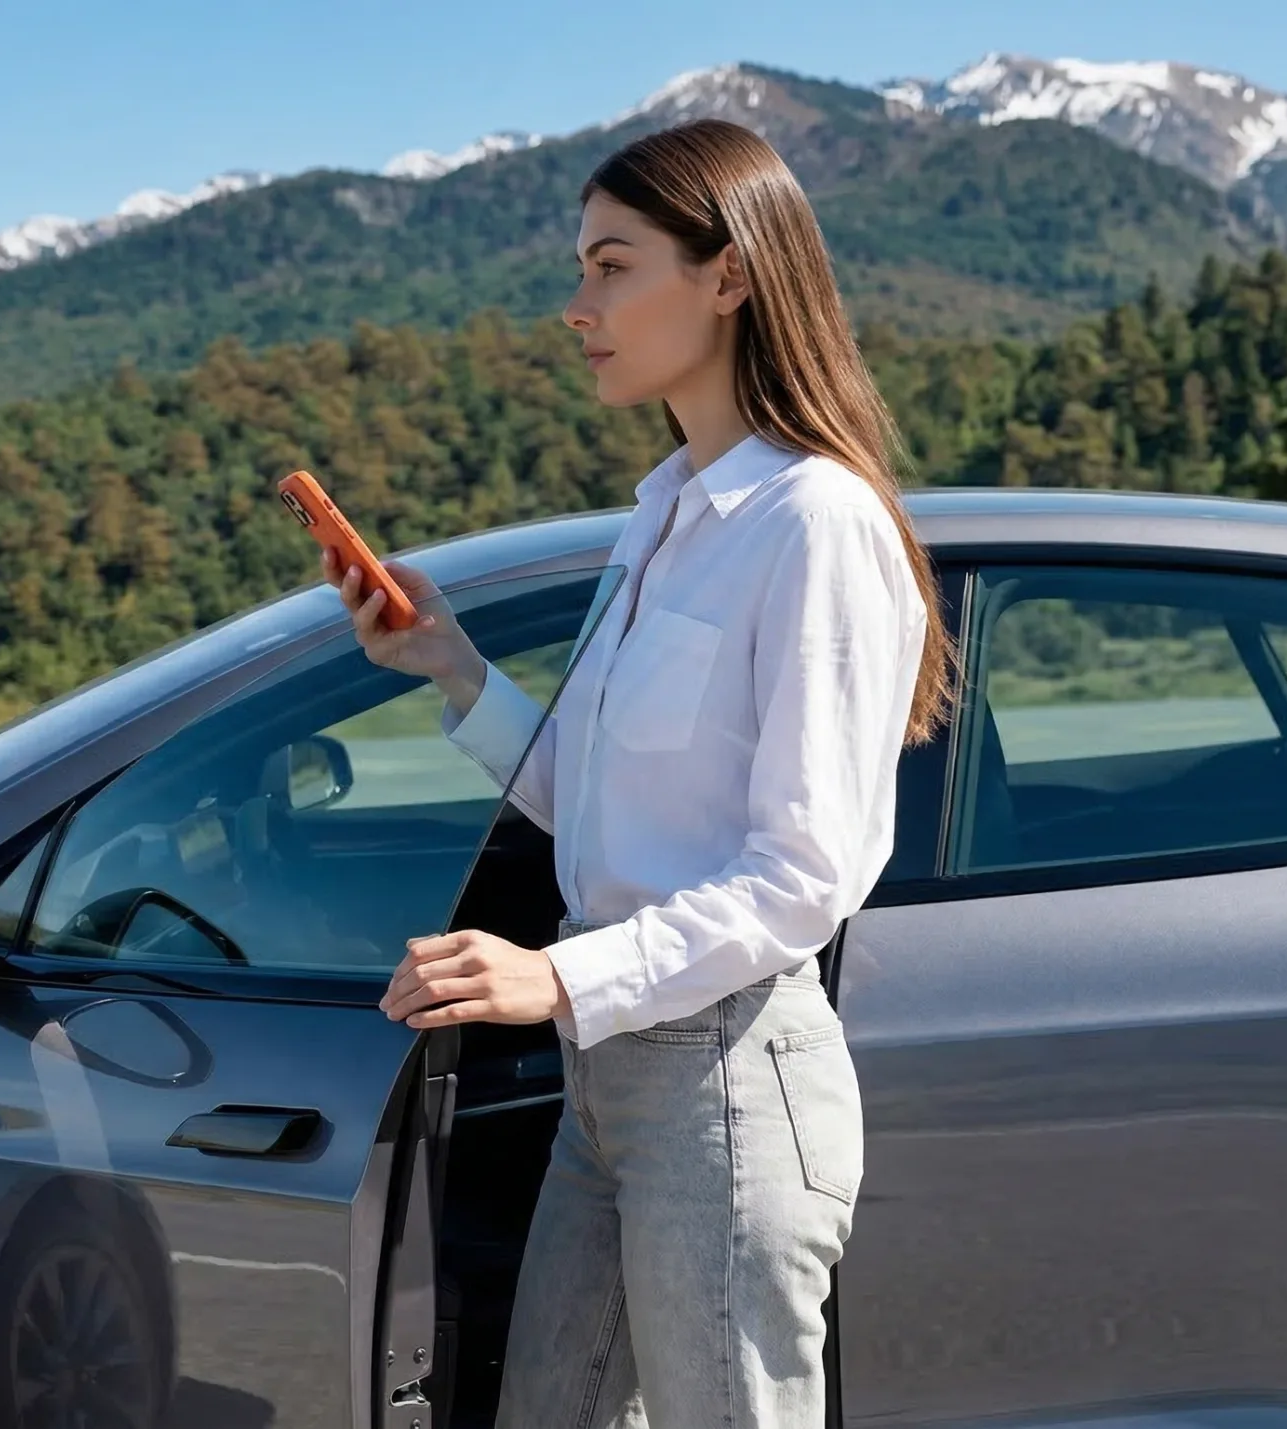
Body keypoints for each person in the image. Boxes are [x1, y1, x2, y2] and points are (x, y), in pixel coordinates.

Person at [320, 117, 953, 1429]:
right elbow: (608, 810)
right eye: (580, 270)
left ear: (729, 275)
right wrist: (449, 668)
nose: (577, 307)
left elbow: (805, 876)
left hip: (726, 1080)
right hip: (606, 1092)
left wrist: (554, 973)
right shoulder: (665, 514)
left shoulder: (813, 521)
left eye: (613, 267)